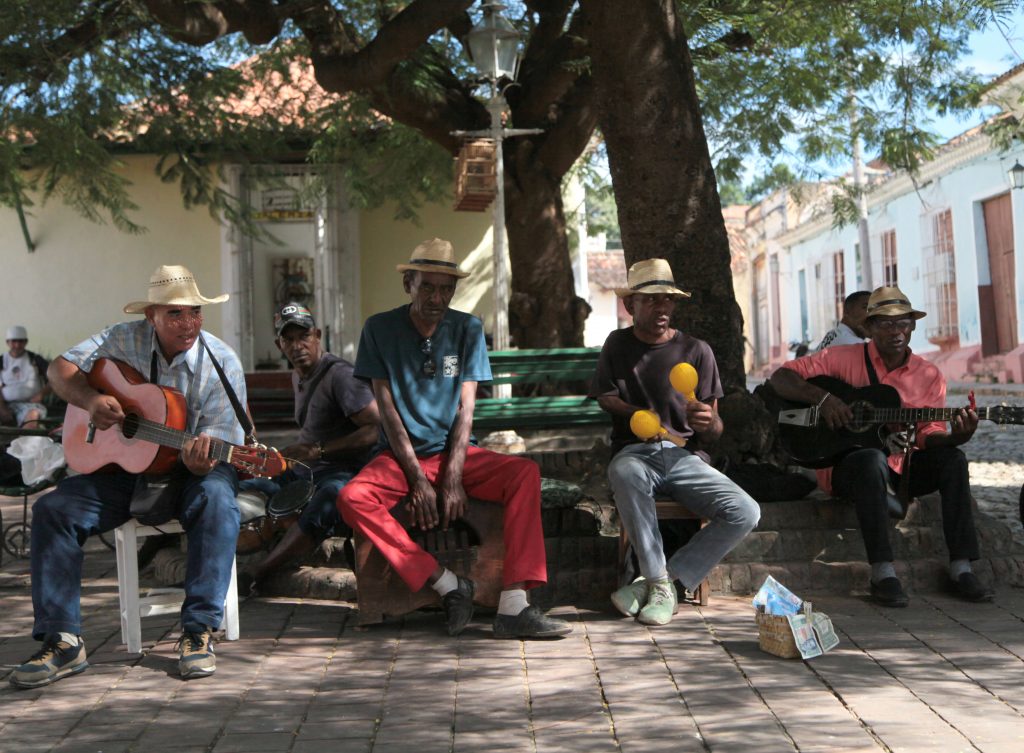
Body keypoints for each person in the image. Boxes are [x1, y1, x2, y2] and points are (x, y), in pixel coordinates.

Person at [10, 265, 249, 689]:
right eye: (175, 314)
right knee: (52, 509)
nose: (188, 323)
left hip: (194, 469)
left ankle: (197, 632)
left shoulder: (222, 361)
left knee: (216, 500)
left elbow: (218, 442)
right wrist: (91, 397)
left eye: (195, 312)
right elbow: (59, 371)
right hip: (124, 468)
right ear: (150, 317)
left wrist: (201, 460)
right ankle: (62, 640)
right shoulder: (121, 339)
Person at [338, 238, 572, 640]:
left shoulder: (467, 328)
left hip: (454, 455)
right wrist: (416, 479)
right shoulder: (379, 328)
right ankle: (446, 583)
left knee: (524, 474)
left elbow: (466, 409)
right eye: (427, 286)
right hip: (399, 457)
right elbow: (388, 412)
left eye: (446, 288)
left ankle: (514, 604)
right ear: (408, 283)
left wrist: (452, 476)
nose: (437, 297)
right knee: (351, 498)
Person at [768, 285, 993, 607]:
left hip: (903, 468)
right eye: (886, 323)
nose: (896, 331)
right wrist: (826, 399)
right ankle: (883, 572)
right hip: (848, 469)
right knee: (871, 457)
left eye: (903, 323)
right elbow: (782, 377)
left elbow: (929, 432)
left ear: (913, 326)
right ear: (870, 327)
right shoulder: (841, 358)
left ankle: (962, 566)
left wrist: (957, 436)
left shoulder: (928, 374)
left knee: (954, 459)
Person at [591, 258, 760, 625]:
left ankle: (665, 581)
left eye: (667, 298)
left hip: (685, 457)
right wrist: (638, 414)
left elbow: (714, 428)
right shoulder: (617, 344)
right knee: (624, 471)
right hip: (635, 453)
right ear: (630, 305)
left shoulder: (697, 350)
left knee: (746, 511)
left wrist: (709, 419)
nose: (662, 307)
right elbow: (605, 396)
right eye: (651, 299)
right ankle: (657, 582)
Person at [237, 302, 380, 594]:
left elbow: (375, 429)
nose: (297, 345)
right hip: (309, 470)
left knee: (328, 500)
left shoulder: (340, 376)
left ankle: (259, 573)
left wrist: (317, 450)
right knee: (246, 481)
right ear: (279, 344)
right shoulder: (298, 375)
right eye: (288, 339)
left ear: (317, 335)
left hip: (345, 472)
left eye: (303, 336)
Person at [1, 325, 51, 429]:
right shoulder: (1, 361)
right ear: (7, 342)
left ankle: (22, 444)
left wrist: (41, 394)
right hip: (4, 404)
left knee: (33, 416)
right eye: (14, 341)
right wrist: (2, 409)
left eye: (21, 341)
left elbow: (54, 380)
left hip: (30, 405)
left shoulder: (35, 359)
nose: (17, 345)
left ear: (26, 342)